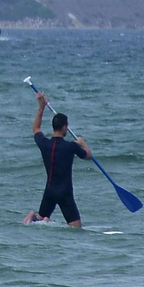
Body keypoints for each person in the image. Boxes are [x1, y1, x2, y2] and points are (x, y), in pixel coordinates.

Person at [23, 91, 90, 227]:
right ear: (65, 127)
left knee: (40, 220)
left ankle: (33, 217)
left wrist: (41, 107)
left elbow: (36, 128)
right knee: (76, 228)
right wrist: (82, 143)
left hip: (49, 191)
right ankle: (41, 219)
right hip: (65, 192)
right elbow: (88, 155)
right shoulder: (71, 147)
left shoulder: (44, 144)